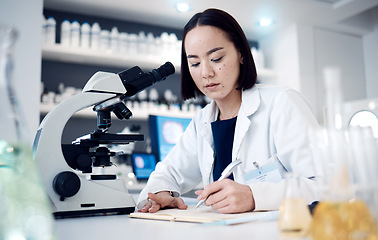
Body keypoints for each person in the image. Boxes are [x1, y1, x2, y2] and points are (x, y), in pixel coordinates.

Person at [137, 8, 319, 214]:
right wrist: (160, 194)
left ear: (241, 53)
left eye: (216, 59)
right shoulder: (202, 121)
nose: (206, 72)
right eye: (195, 63)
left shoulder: (282, 103)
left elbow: (325, 184)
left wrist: (255, 196)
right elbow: (168, 172)